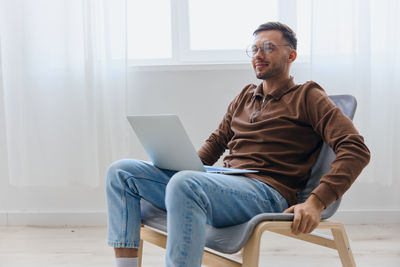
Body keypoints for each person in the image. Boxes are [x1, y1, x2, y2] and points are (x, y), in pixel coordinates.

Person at [106, 22, 370, 267]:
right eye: (254, 49)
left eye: (268, 47)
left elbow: (356, 149)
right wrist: (185, 166)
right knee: (121, 172)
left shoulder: (308, 96)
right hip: (225, 182)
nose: (258, 54)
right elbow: (217, 141)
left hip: (266, 191)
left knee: (185, 183)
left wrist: (317, 202)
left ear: (291, 56)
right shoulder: (245, 96)